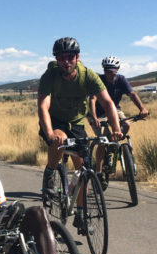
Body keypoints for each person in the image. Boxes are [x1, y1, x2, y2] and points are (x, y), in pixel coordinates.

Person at [37, 37, 123, 228]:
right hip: (55, 120)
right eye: (61, 58)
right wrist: (49, 133)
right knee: (60, 139)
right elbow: (43, 105)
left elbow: (107, 102)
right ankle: (50, 171)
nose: (66, 61)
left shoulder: (88, 75)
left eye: (70, 57)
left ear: (77, 57)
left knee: (83, 169)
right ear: (57, 59)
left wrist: (116, 129)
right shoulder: (50, 76)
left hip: (76, 122)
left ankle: (81, 214)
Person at [88, 56, 149, 185]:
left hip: (115, 110)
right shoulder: (99, 80)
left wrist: (142, 109)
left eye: (112, 70)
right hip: (98, 114)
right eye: (106, 70)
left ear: (117, 69)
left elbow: (132, 94)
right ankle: (98, 172)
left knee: (126, 124)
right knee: (103, 140)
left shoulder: (121, 79)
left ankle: (114, 145)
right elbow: (92, 99)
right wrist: (94, 117)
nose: (109, 73)